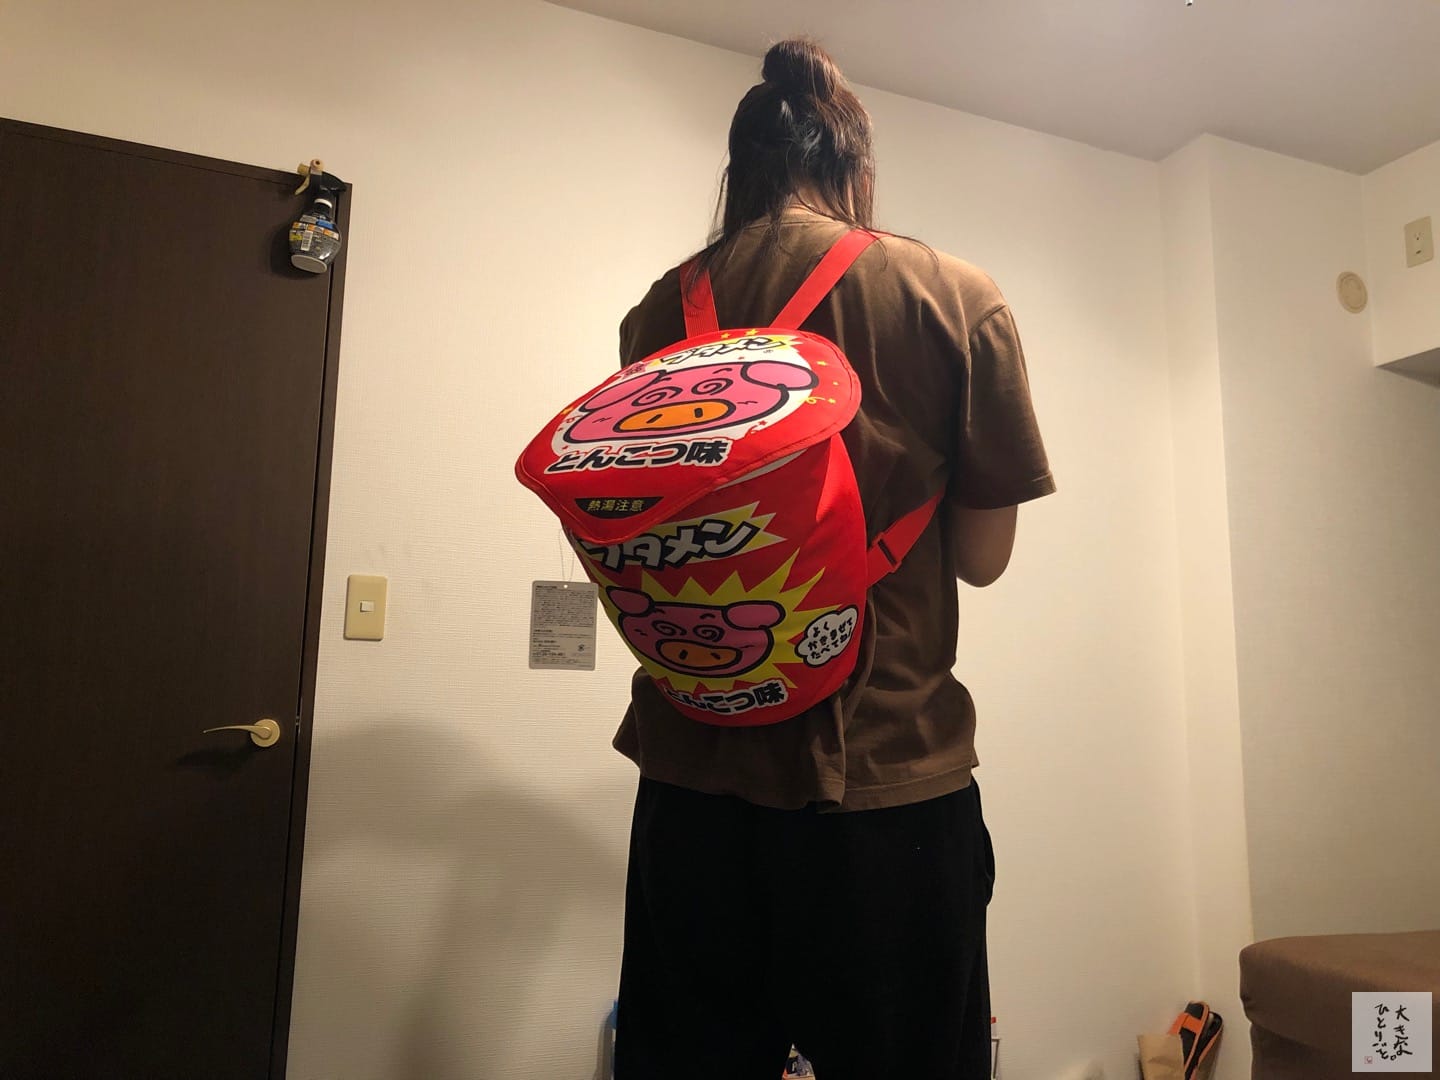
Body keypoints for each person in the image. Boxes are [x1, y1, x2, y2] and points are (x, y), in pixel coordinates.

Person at [611, 38, 1054, 1080]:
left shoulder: (659, 314)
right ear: (855, 166)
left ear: (740, 171)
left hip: (692, 779)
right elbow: (983, 559)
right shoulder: (950, 295)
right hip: (883, 782)